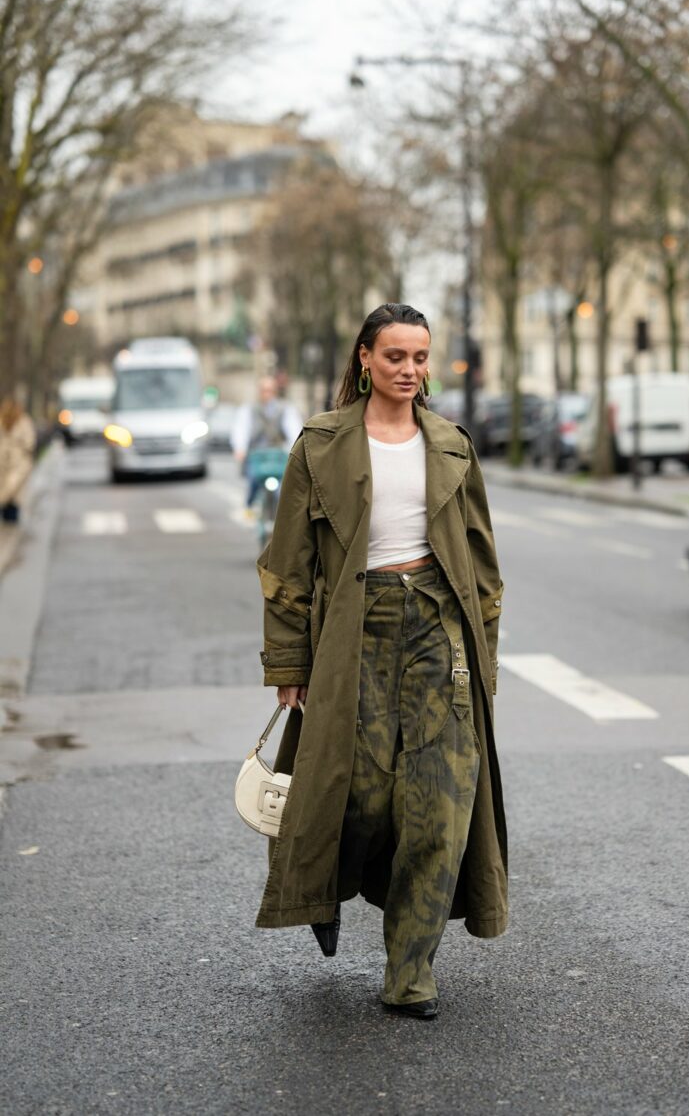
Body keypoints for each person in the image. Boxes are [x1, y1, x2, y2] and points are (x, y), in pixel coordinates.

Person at [254, 303, 507, 1020]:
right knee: (358, 792)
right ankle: (324, 882)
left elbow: (484, 564)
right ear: (364, 358)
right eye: (395, 356)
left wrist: (484, 654)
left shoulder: (452, 444)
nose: (410, 370)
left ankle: (410, 971)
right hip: (353, 628)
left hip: (436, 622)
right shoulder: (321, 444)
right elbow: (286, 566)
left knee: (439, 807)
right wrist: (287, 660)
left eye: (421, 357)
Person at [231, 376, 302, 510]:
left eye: (270, 390)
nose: (267, 394)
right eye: (264, 390)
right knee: (253, 481)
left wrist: (296, 448)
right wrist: (240, 448)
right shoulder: (249, 410)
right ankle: (249, 506)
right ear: (259, 392)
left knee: (284, 486)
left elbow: (294, 430)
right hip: (257, 454)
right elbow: (241, 429)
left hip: (278, 455)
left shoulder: (285, 409)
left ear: (275, 391)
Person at [0, 397, 36, 524]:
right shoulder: (2, 421)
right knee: (7, 493)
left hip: (18, 463)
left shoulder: (24, 422)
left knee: (12, 493)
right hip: (4, 463)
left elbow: (29, 442)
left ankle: (10, 522)